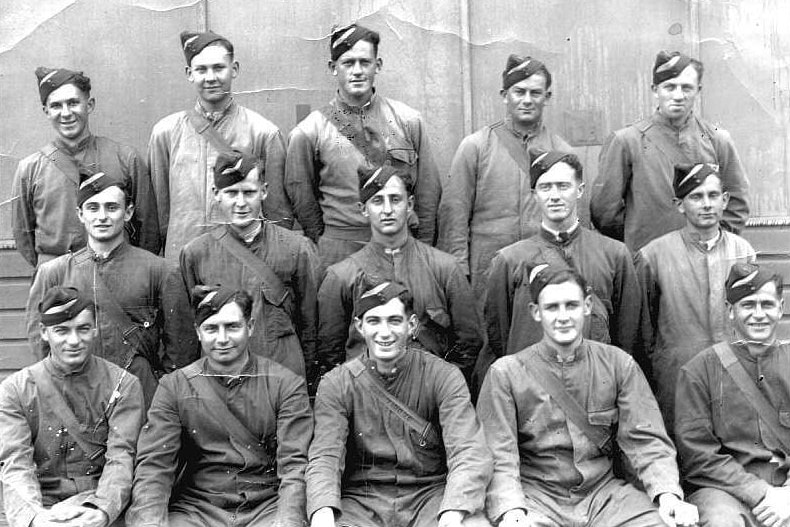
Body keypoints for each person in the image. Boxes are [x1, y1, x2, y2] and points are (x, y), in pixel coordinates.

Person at [477, 266, 699, 527]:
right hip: (536, 498)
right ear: (536, 313)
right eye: (552, 308)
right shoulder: (506, 373)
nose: (563, 317)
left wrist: (668, 495)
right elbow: (498, 453)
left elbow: (645, 440)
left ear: (587, 306)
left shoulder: (618, 364)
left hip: (604, 496)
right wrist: (511, 510)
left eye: (571, 305)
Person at [307, 281, 492, 527]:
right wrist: (322, 511)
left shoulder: (443, 376)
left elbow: (468, 449)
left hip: (430, 497)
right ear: (360, 327)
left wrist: (454, 510)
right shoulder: (336, 383)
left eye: (394, 321)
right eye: (374, 322)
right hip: (362, 504)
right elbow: (325, 454)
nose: (384, 333)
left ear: (412, 325)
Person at [126, 286, 312, 526]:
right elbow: (155, 466)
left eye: (232, 327)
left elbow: (295, 467)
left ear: (251, 327)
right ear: (198, 332)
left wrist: (287, 522)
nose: (222, 339)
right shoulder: (174, 387)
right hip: (199, 508)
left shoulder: (285, 384)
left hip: (267, 506)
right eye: (211, 328)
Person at [26, 169, 185, 408]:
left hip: (142, 394)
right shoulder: (53, 272)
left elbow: (179, 347)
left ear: (128, 212)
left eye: (112, 207)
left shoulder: (159, 270)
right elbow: (41, 342)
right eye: (93, 208)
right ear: (80, 214)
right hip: (76, 394)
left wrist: (162, 394)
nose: (102, 216)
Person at [285, 22, 440, 267]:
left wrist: (423, 248)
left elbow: (428, 192)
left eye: (364, 62)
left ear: (377, 65)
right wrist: (325, 242)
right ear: (333, 68)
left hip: (401, 246)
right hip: (340, 250)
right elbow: (301, 195)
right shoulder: (310, 131)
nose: (357, 71)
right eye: (348, 63)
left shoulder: (408, 121)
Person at [317, 165, 482, 381]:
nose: (387, 209)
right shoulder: (341, 277)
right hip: (366, 397)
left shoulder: (445, 269)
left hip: (430, 397)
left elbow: (469, 341)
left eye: (395, 199)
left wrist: (440, 388)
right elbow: (331, 353)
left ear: (410, 205)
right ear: (363, 209)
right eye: (377, 201)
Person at [0, 286, 144, 527]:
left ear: (96, 329)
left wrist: (102, 511)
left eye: (83, 329)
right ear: (44, 333)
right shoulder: (16, 389)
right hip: (38, 501)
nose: (74, 341)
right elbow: (16, 462)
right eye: (62, 331)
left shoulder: (123, 385)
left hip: (99, 499)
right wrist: (35, 518)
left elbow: (122, 457)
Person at [178, 150, 322, 379]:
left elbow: (311, 323)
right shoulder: (195, 253)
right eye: (232, 193)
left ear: (263, 192)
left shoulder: (296, 248)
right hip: (223, 378)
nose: (241, 203)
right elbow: (188, 330)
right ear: (216, 194)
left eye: (249, 192)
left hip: (282, 373)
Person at [485, 150, 640, 362]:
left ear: (580, 190)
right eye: (545, 187)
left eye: (563, 186)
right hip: (532, 384)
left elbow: (627, 338)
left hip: (594, 382)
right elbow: (499, 339)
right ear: (534, 194)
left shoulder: (614, 254)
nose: (555, 196)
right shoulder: (509, 260)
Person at [437, 54, 572, 296]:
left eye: (536, 93)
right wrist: (458, 274)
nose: (527, 100)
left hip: (545, 272)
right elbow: (454, 216)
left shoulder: (562, 152)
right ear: (504, 95)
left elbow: (573, 220)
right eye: (519, 92)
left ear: (547, 97)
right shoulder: (476, 147)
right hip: (487, 273)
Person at [635, 162, 755, 432]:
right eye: (696, 197)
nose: (706, 204)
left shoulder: (743, 252)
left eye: (713, 196)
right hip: (676, 376)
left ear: (724, 200)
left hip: (733, 373)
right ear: (680, 204)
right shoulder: (653, 256)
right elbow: (644, 329)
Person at [149, 30, 289, 260]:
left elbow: (278, 214)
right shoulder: (165, 133)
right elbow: (159, 211)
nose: (210, 77)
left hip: (245, 259)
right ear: (189, 74)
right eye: (201, 69)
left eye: (218, 67)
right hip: (183, 259)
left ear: (234, 69)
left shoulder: (263, 132)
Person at [591, 50, 750, 253]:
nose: (678, 96)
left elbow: (737, 202)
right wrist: (639, 239)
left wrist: (713, 242)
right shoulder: (627, 141)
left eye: (686, 88)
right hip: (648, 262)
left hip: (707, 258)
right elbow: (605, 212)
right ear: (655, 90)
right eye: (669, 87)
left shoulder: (717, 139)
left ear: (698, 91)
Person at [675, 263, 790, 527]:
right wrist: (761, 493)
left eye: (767, 305)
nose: (759, 314)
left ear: (781, 308)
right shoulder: (699, 371)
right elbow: (699, 456)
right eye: (748, 305)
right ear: (730, 311)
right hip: (726, 491)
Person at [11, 66, 159, 268]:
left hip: (117, 271)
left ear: (89, 105)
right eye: (56, 106)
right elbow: (23, 236)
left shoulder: (125, 158)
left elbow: (148, 229)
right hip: (58, 279)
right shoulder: (30, 169)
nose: (66, 113)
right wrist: (53, 270)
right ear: (46, 111)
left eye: (73, 103)